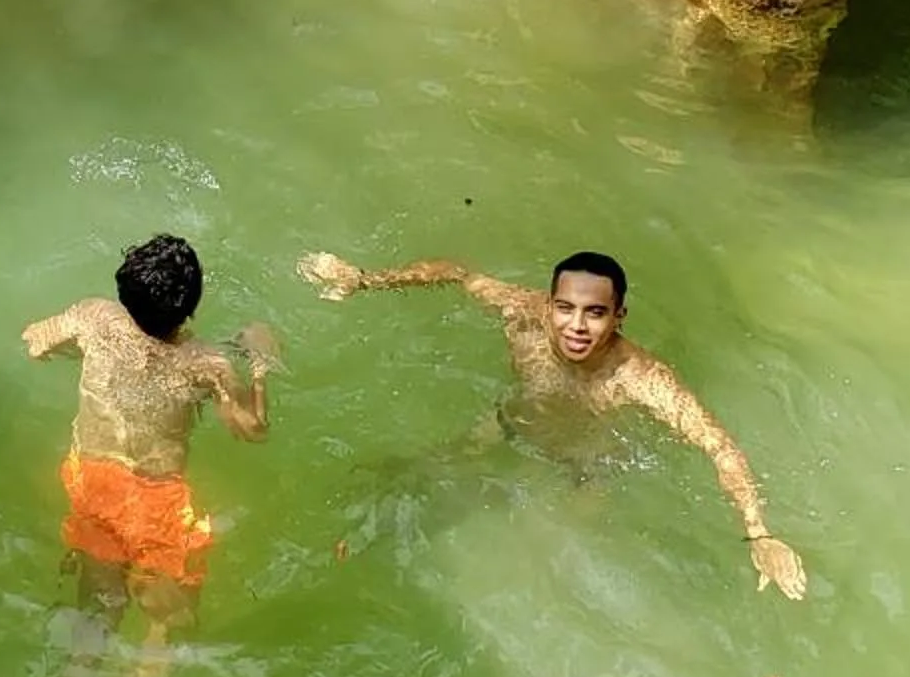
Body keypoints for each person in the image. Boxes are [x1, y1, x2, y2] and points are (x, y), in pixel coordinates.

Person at [297, 247, 807, 599]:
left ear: (619, 316)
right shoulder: (523, 315)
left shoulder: (638, 377)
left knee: (544, 556)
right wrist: (365, 280)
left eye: (594, 312)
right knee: (418, 474)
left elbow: (717, 444)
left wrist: (758, 532)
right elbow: (458, 273)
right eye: (565, 308)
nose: (577, 326)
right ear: (549, 304)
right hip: (510, 422)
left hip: (586, 464)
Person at [21, 234, 278, 677]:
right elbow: (252, 429)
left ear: (124, 294)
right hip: (155, 503)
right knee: (172, 620)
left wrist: (90, 354)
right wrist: (260, 360)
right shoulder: (206, 364)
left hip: (91, 480)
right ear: (191, 307)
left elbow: (35, 343)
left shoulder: (95, 318)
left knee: (97, 607)